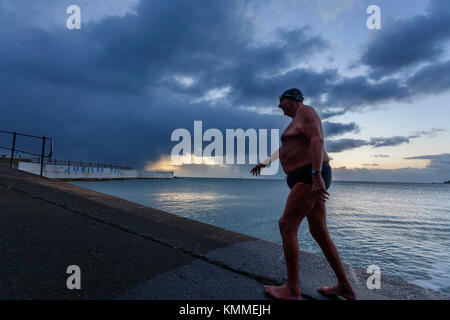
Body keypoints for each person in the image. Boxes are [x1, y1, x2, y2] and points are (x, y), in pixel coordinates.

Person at [251, 88, 355, 300]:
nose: (279, 106)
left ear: (293, 99)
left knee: (286, 225)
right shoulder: (296, 121)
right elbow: (288, 148)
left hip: (310, 176)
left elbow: (316, 140)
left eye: (282, 101)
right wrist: (265, 162)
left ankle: (292, 289)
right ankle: (345, 286)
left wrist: (316, 175)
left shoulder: (306, 111)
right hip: (307, 177)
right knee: (319, 232)